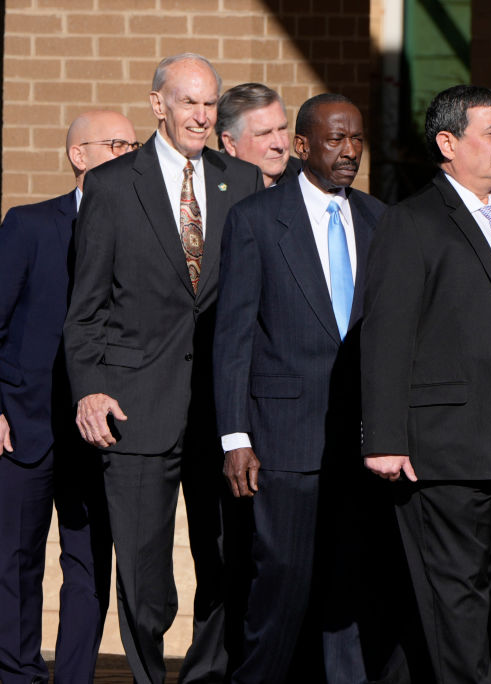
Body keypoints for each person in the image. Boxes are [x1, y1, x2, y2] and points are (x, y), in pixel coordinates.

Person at [360, 84, 491, 684]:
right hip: (442, 445)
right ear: (448, 143)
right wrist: (383, 436)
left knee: (468, 595)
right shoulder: (414, 221)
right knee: (457, 597)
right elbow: (386, 334)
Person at [63, 53, 263, 684]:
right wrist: (91, 389)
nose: (200, 116)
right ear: (158, 105)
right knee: (146, 580)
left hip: (221, 410)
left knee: (226, 564)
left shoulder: (244, 182)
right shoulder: (113, 184)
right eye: (188, 103)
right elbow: (85, 309)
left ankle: (205, 675)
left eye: (209, 104)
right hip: (136, 406)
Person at [213, 93, 386, 683]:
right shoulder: (257, 220)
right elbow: (233, 336)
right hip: (284, 442)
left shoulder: (377, 218)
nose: (349, 151)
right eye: (336, 140)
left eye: (357, 139)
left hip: (362, 444)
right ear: (304, 146)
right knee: (281, 591)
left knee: (350, 597)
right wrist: (235, 435)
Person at [0, 110, 135, 684]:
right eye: (114, 144)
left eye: (135, 144)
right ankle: (16, 673)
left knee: (87, 568)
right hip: (23, 425)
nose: (129, 154)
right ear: (79, 156)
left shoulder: (142, 233)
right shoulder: (29, 225)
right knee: (14, 563)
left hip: (99, 431)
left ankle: (75, 678)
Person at [216, 82, 301, 187]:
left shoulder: (308, 179)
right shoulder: (207, 188)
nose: (280, 144)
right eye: (264, 134)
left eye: (282, 129)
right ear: (230, 143)